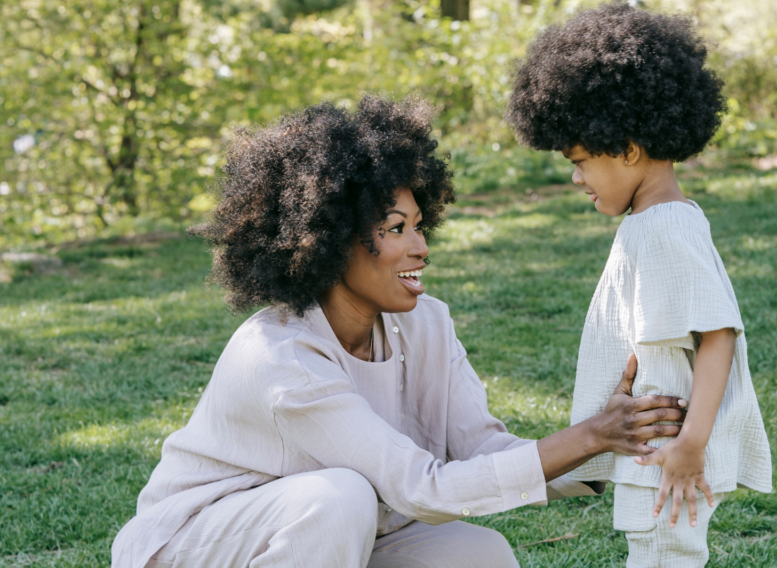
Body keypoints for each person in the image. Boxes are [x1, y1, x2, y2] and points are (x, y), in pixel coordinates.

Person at [111, 96, 689, 568]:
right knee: (338, 499)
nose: (420, 247)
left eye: (419, 225)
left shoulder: (427, 323)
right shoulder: (279, 356)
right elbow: (423, 488)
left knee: (477, 554)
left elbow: (482, 448)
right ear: (330, 240)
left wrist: (615, 446)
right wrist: (590, 436)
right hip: (198, 546)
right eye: (394, 229)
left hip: (340, 537)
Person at [506, 2, 773, 568]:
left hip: (668, 453)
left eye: (580, 160)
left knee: (661, 556)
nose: (576, 177)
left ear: (628, 148)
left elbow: (718, 335)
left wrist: (690, 446)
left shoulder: (666, 226)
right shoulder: (651, 222)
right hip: (650, 446)